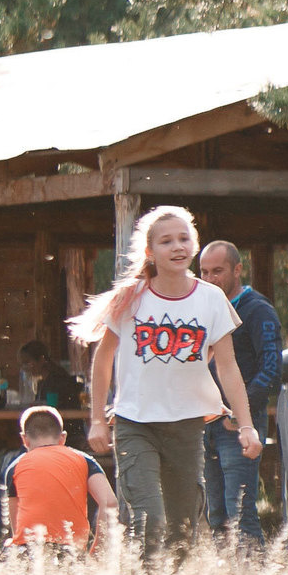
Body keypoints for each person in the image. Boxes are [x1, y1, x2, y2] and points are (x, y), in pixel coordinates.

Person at [69, 206, 264, 555]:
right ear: (150, 252)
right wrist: (97, 419)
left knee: (181, 530)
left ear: (194, 245)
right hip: (135, 423)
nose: (177, 247)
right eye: (166, 241)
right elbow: (103, 359)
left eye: (184, 238)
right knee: (148, 518)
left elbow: (228, 367)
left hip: (187, 425)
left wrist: (246, 424)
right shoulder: (130, 298)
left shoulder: (211, 298)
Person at [196, 242, 282, 544]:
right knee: (215, 514)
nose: (210, 278)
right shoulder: (200, 307)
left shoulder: (258, 310)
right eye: (204, 271)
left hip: (239, 424)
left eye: (217, 271)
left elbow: (271, 370)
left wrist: (239, 413)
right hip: (204, 422)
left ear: (237, 270)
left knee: (240, 512)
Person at [0, 405, 117, 551]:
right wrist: (97, 549)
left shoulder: (15, 467)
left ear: (24, 439)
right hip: (71, 552)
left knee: (8, 547)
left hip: (30, 552)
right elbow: (110, 502)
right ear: (63, 438)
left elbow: (17, 529)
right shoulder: (85, 461)